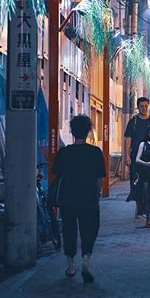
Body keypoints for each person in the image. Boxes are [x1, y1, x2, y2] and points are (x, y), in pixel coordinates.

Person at [52, 114, 105, 282]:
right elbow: (99, 178)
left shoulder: (64, 153)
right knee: (89, 230)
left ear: (73, 132)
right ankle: (86, 262)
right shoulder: (95, 152)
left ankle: (70, 266)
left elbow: (57, 173)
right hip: (89, 197)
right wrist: (97, 194)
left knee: (68, 230)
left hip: (68, 198)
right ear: (88, 132)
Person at [124, 97, 150, 218]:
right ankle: (139, 208)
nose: (144, 108)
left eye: (146, 106)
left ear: (148, 106)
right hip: (136, 158)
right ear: (138, 107)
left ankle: (146, 209)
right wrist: (126, 156)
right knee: (136, 183)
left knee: (149, 184)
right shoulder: (133, 122)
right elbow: (128, 139)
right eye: (141, 106)